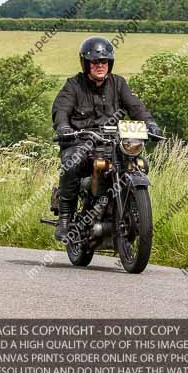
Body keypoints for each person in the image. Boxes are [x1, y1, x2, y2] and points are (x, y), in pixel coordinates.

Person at [51, 36, 162, 241]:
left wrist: (151, 124)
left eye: (104, 61)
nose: (99, 66)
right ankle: (65, 219)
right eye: (95, 62)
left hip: (112, 143)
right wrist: (64, 127)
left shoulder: (118, 83)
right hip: (80, 141)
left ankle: (132, 210)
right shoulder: (74, 85)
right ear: (86, 64)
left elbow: (136, 107)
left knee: (139, 164)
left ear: (110, 63)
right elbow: (61, 110)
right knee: (71, 163)